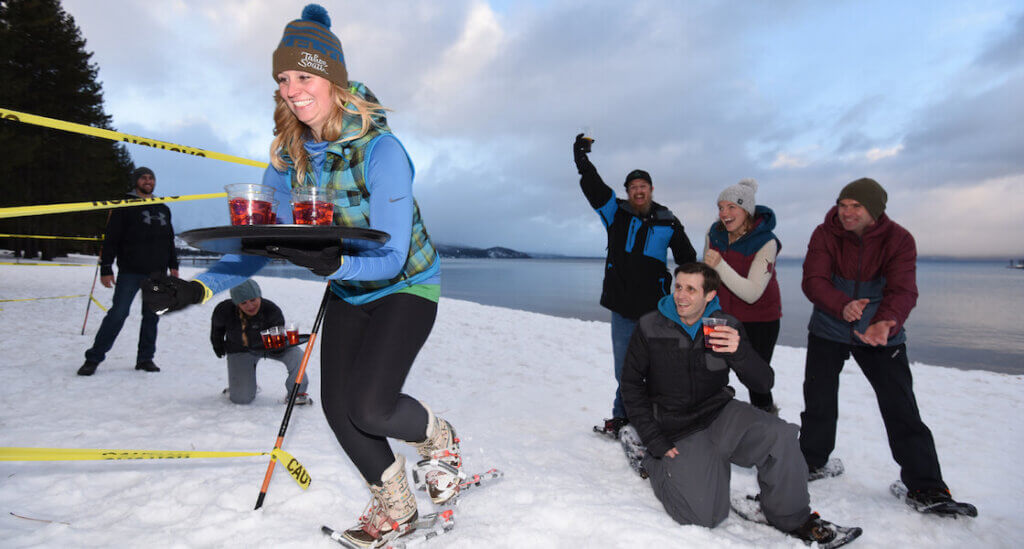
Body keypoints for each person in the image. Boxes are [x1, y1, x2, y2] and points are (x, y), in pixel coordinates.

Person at [140, 5, 460, 547]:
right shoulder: (290, 158)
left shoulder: (383, 152)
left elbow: (392, 252)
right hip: (349, 288)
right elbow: (259, 243)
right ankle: (395, 504)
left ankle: (439, 439)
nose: (291, 89)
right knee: (338, 408)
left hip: (406, 284)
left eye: (304, 76)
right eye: (283, 78)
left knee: (372, 406)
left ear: (333, 79)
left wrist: (334, 264)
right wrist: (198, 288)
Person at [621, 262, 858, 546]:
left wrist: (739, 351)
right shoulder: (650, 326)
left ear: (709, 295)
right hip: (677, 427)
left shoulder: (725, 325)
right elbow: (631, 386)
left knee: (780, 436)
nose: (680, 296)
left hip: (721, 413)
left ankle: (791, 517)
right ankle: (652, 462)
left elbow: (763, 383)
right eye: (679, 287)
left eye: (691, 290)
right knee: (704, 516)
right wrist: (654, 440)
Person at [799, 177, 975, 514]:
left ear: (875, 210)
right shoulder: (825, 234)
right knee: (819, 400)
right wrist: (841, 305)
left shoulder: (899, 239)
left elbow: (904, 289)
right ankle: (811, 461)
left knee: (900, 407)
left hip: (881, 332)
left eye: (856, 207)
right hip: (828, 326)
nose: (847, 213)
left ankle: (926, 487)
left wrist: (886, 322)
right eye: (843, 205)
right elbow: (814, 280)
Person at [573, 133, 696, 438]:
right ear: (627, 192)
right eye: (633, 187)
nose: (638, 191)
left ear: (651, 190)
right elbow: (594, 188)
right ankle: (622, 418)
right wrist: (582, 160)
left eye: (643, 187)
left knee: (653, 368)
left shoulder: (668, 221)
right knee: (624, 370)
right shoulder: (616, 213)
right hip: (622, 306)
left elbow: (687, 259)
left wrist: (692, 295)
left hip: (656, 310)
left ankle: (650, 419)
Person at [78, 167, 178, 376]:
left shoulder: (163, 208)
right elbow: (111, 239)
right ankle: (93, 358)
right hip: (130, 272)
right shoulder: (124, 206)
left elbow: (169, 239)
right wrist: (106, 268)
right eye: (143, 178)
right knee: (118, 314)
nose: (148, 181)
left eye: (151, 177)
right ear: (136, 181)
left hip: (157, 273)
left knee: (152, 317)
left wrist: (173, 266)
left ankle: (145, 359)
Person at [703, 179, 781, 414]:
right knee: (710, 374)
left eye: (731, 207)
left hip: (760, 320)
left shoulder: (766, 241)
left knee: (756, 380)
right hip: (719, 316)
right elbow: (707, 275)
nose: (723, 213)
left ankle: (767, 428)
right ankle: (709, 424)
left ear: (746, 209)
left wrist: (720, 265)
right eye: (720, 207)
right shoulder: (713, 233)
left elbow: (752, 293)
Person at [210, 279, 311, 405]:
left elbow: (278, 333)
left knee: (296, 354)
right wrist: (217, 344)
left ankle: (297, 393)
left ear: (259, 296)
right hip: (241, 350)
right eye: (244, 303)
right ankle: (243, 385)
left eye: (253, 300)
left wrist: (277, 346)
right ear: (237, 304)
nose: (250, 306)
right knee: (241, 399)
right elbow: (217, 330)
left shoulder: (271, 310)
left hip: (269, 347)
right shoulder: (224, 310)